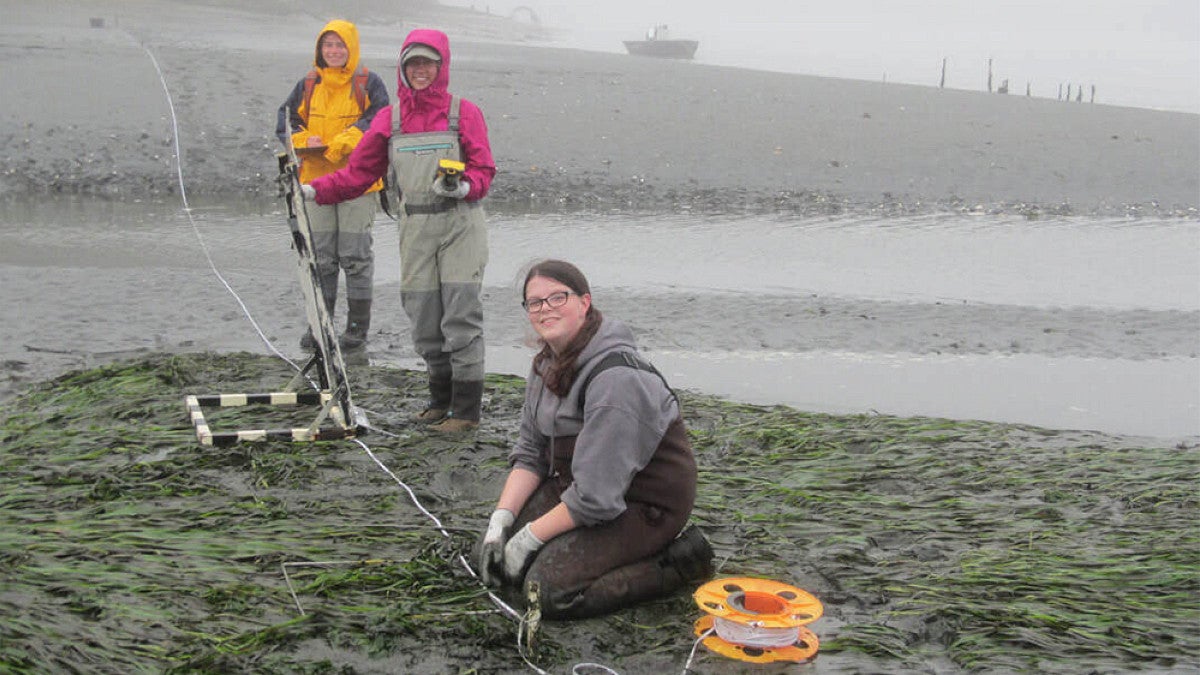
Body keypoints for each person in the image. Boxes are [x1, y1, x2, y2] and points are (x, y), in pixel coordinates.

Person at [475, 260, 714, 620]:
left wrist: (530, 538)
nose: (545, 309)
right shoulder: (545, 364)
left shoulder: (615, 380)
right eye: (535, 303)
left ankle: (676, 564)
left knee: (548, 592)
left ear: (584, 302)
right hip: (580, 486)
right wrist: (500, 524)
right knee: (495, 554)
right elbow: (530, 455)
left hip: (642, 502)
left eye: (558, 297)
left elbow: (596, 498)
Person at [304, 29, 494, 433]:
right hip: (415, 227)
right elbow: (358, 175)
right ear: (403, 69)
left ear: (441, 66)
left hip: (461, 224)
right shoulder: (390, 120)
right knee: (425, 319)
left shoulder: (465, 113)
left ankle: (465, 412)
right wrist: (311, 190)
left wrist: (464, 186)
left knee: (460, 316)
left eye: (427, 63)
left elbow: (483, 170)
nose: (420, 71)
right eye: (412, 64)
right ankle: (439, 400)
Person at [276, 19, 389, 351]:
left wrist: (347, 139)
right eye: (328, 45)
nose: (334, 51)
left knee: (355, 258)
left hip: (359, 183)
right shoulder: (308, 84)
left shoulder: (369, 83)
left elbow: (380, 119)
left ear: (351, 48)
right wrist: (301, 138)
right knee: (322, 258)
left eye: (340, 45)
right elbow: (284, 121)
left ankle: (355, 333)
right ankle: (320, 328)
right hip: (316, 183)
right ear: (319, 49)